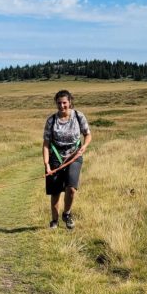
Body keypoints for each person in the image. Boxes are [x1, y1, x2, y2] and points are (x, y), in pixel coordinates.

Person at [42, 89, 91, 230]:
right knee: (55, 191)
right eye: (59, 103)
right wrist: (47, 165)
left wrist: (84, 146)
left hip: (74, 156)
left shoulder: (78, 116)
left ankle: (67, 214)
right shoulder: (51, 120)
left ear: (70, 102)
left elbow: (88, 135)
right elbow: (46, 144)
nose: (62, 106)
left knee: (71, 189)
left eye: (64, 103)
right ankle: (54, 220)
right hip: (55, 158)